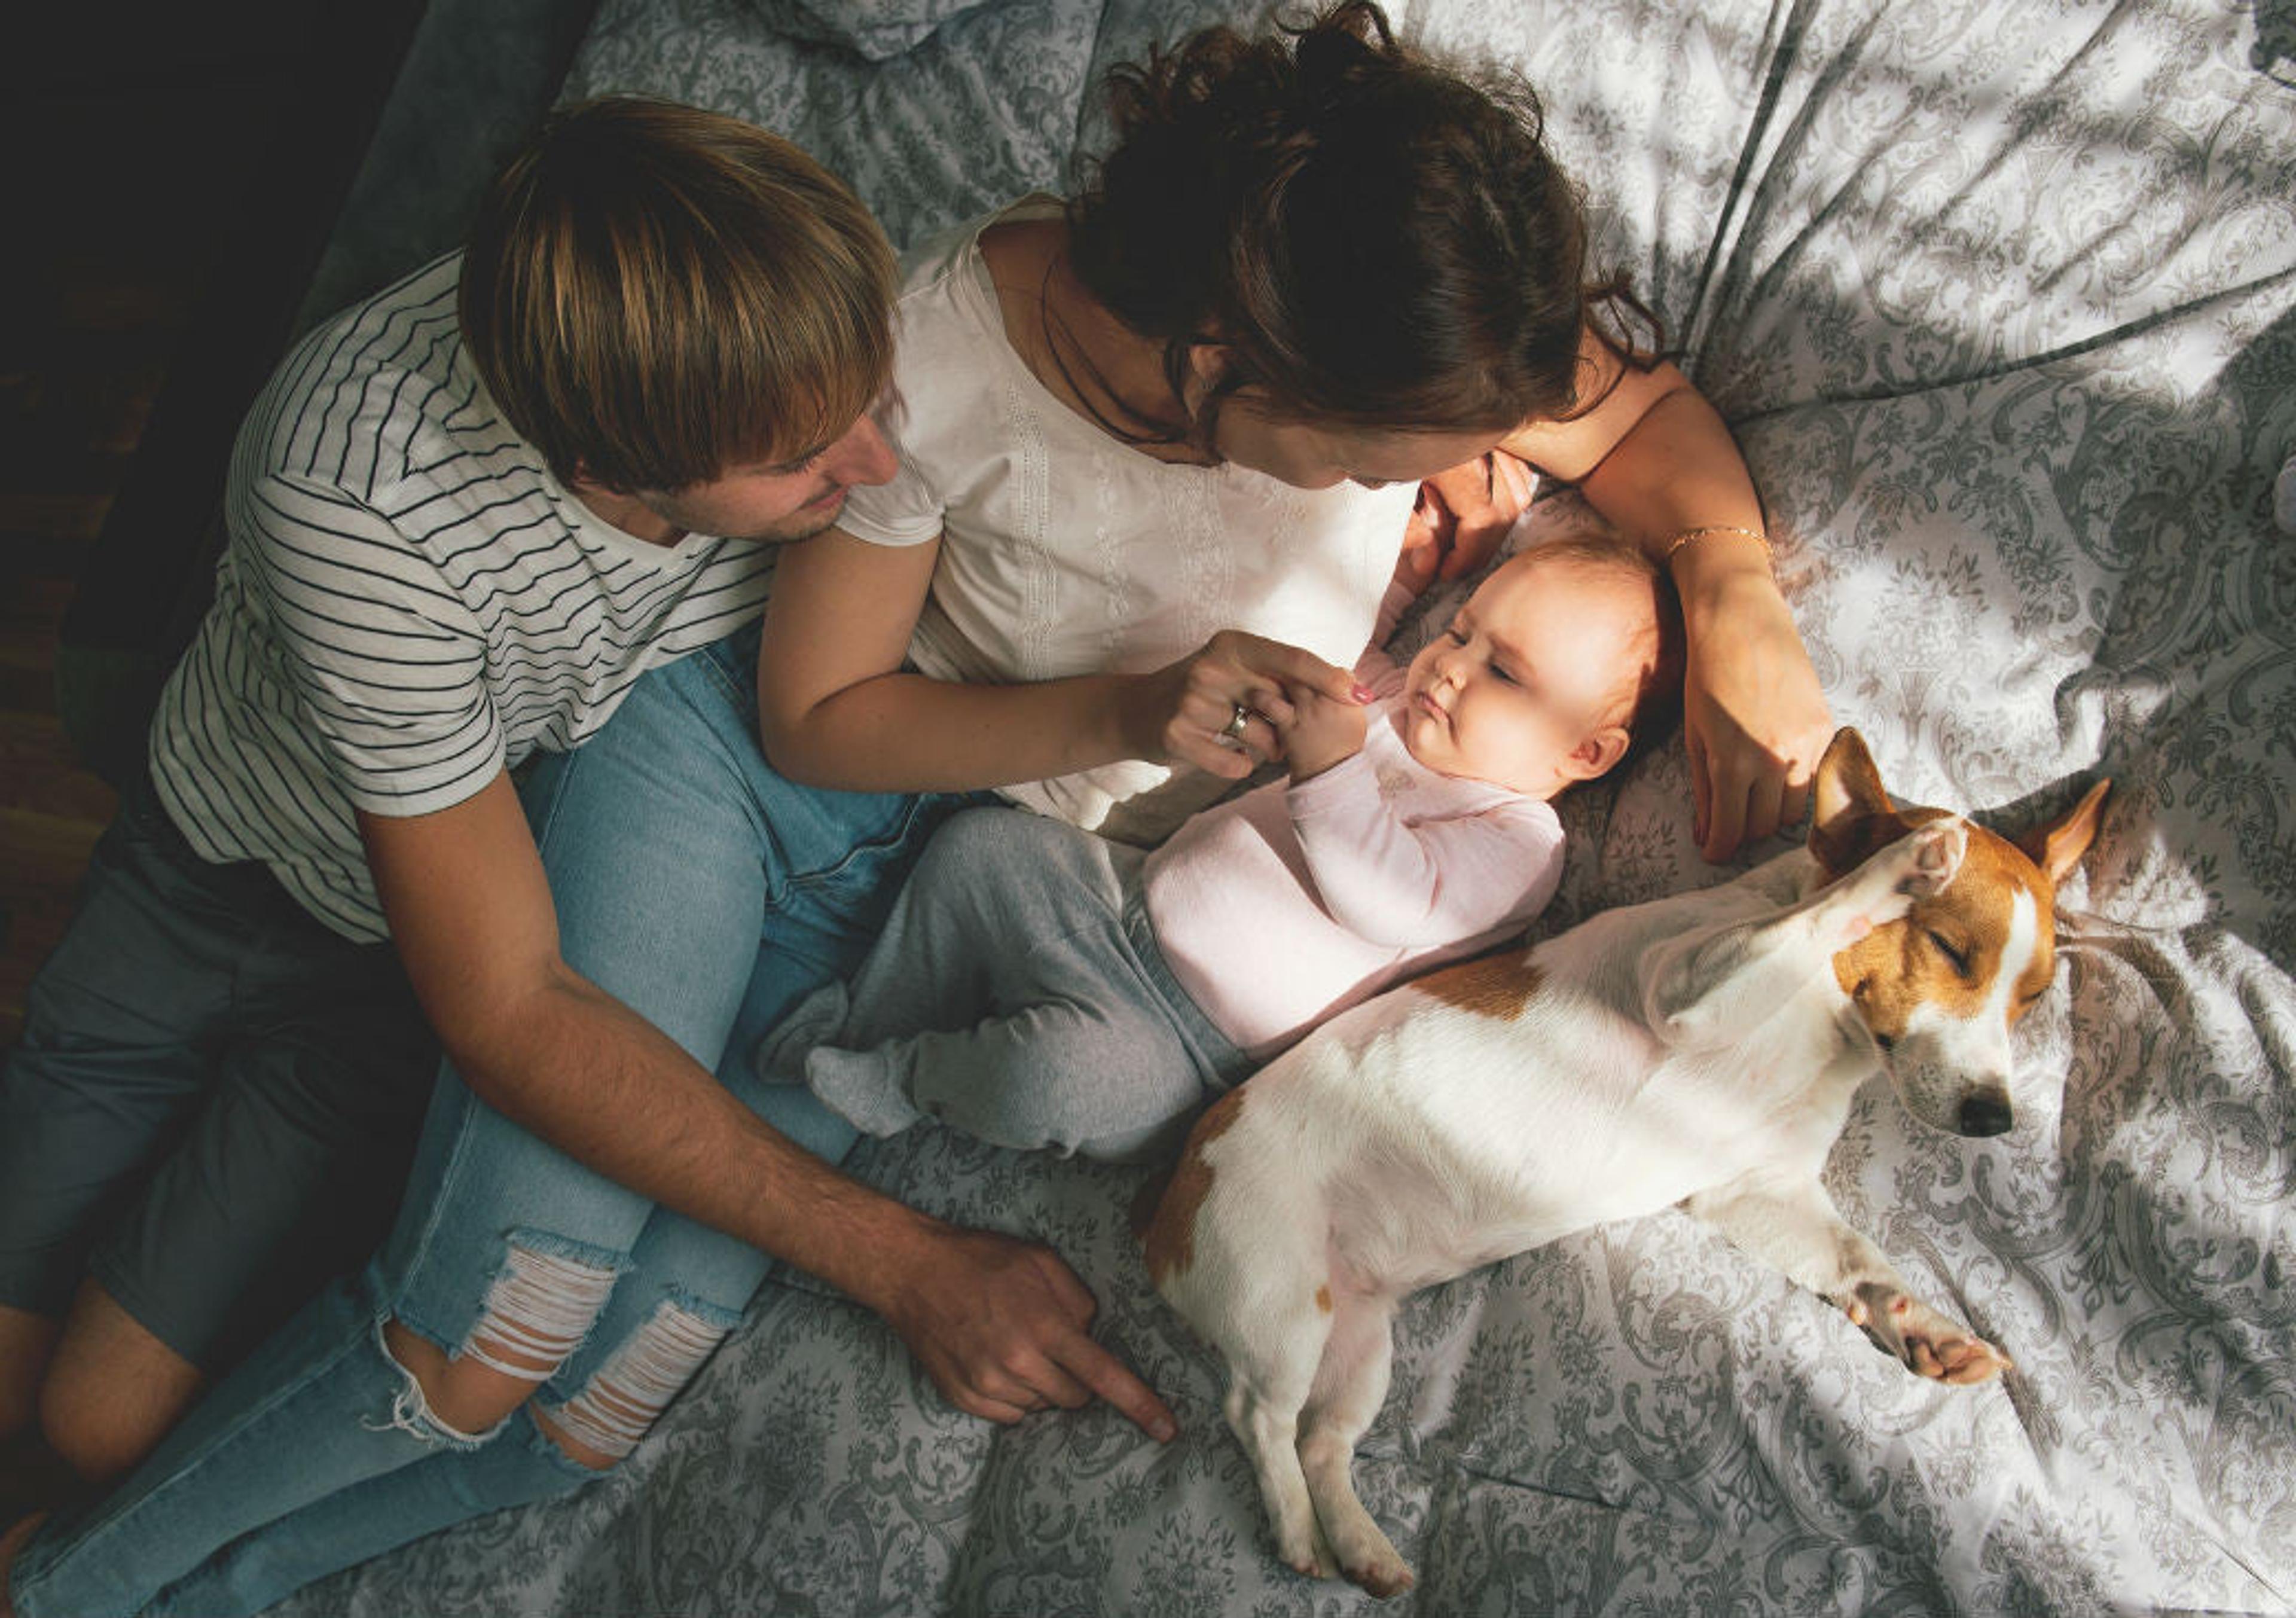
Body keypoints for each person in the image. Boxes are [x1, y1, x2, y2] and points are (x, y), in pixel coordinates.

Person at [2, 4, 1831, 1613]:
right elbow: (805, 722)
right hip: (747, 787)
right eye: (1378, 458)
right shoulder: (930, 367)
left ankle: (172, 1578)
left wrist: (1734, 589)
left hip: (951, 885)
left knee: (604, 1402)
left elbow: (1628, 422)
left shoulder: (1374, 321)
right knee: (499, 1329)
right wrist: (1124, 709)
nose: (1442, 481)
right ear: (1222, 370)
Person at [757, 538, 1683, 1161]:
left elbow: (1392, 899)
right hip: (1114, 897)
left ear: (1585, 753)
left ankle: (906, 1075)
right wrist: (1386, 600)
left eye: (1504, 670)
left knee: (1056, 1085)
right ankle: (868, 1015)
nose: (1450, 664)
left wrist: (1330, 770)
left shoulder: (1521, 843)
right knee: (979, 851)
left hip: (1181, 1046)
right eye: (1461, 628)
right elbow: (1333, 657)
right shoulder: (1407, 701)